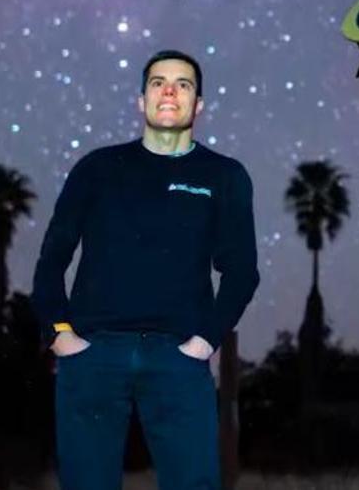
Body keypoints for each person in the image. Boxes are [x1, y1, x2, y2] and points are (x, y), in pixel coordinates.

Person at [32, 49, 259, 489]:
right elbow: (51, 258)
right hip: (92, 354)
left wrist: (205, 341)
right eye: (157, 82)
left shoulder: (224, 176)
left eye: (183, 84)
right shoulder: (97, 168)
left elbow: (242, 272)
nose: (169, 91)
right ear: (141, 100)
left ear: (199, 104)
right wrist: (60, 334)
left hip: (178, 358)